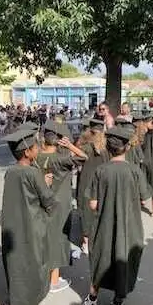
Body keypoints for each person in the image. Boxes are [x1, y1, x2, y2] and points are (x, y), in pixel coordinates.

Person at [83, 127, 150, 305]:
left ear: (108, 148)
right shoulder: (135, 170)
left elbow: (93, 204)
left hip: (104, 225)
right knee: (125, 261)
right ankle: (118, 304)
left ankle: (92, 299)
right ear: (127, 147)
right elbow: (145, 199)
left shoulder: (100, 170)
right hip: (130, 227)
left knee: (101, 259)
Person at [0, 128, 59, 305]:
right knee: (34, 268)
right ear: (27, 152)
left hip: (12, 227)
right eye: (35, 146)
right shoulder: (33, 173)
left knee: (16, 266)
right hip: (31, 228)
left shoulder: (11, 171)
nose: (38, 148)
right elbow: (48, 201)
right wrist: (47, 184)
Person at [35, 120, 87, 293]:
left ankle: (42, 274)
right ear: (58, 141)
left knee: (45, 237)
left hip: (42, 202)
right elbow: (83, 157)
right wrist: (70, 145)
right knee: (57, 239)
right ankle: (54, 280)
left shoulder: (37, 157)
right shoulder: (61, 159)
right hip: (60, 203)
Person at [76, 119, 109, 254]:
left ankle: (86, 242)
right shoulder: (107, 148)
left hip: (86, 181)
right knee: (101, 209)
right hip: (102, 182)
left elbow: (75, 158)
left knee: (86, 210)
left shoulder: (86, 148)